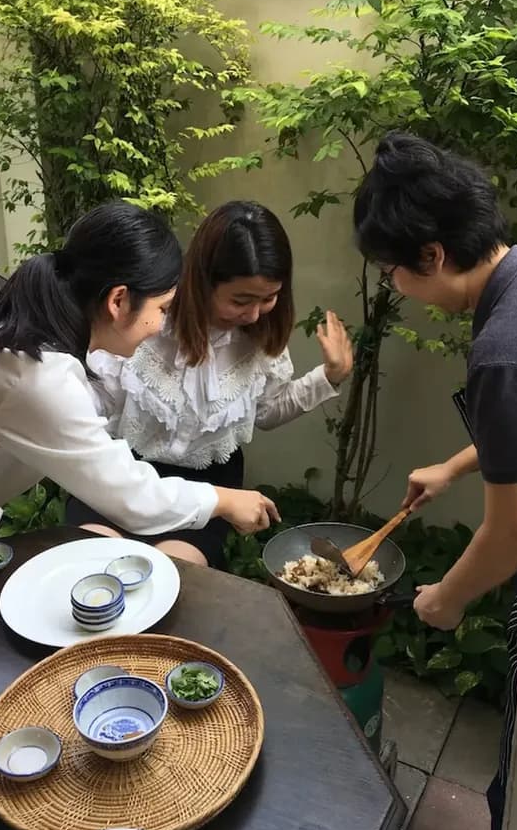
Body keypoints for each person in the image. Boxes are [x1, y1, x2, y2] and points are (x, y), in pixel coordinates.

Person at [354, 132, 517, 830]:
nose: (395, 288)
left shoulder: (505, 344)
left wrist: (444, 600)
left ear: (433, 256)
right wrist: (453, 467)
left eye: (393, 271)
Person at [0, 201, 278, 560]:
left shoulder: (19, 319)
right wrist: (224, 500)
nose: (159, 324)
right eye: (163, 309)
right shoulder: (33, 376)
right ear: (117, 300)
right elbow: (128, 495)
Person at [66, 200, 353, 567]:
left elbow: (265, 411)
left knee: (171, 576)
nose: (253, 313)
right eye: (240, 300)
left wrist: (328, 377)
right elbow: (95, 405)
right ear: (203, 282)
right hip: (126, 470)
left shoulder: (261, 338)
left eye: (269, 298)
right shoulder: (149, 321)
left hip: (210, 483)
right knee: (90, 563)